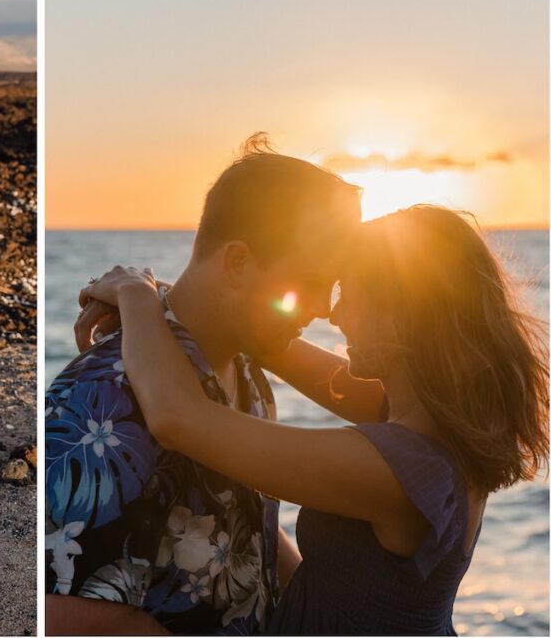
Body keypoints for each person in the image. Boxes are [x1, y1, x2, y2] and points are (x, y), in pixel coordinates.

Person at [79, 205, 549, 635]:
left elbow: (178, 418)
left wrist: (135, 295)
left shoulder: (403, 467)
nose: (336, 314)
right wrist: (170, 298)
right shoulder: (438, 412)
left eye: (352, 294)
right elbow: (265, 340)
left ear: (406, 312)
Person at [45, 136, 362, 634]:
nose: (324, 306)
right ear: (238, 264)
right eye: (312, 281)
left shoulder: (249, 371)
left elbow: (240, 527)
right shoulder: (105, 396)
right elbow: (56, 611)